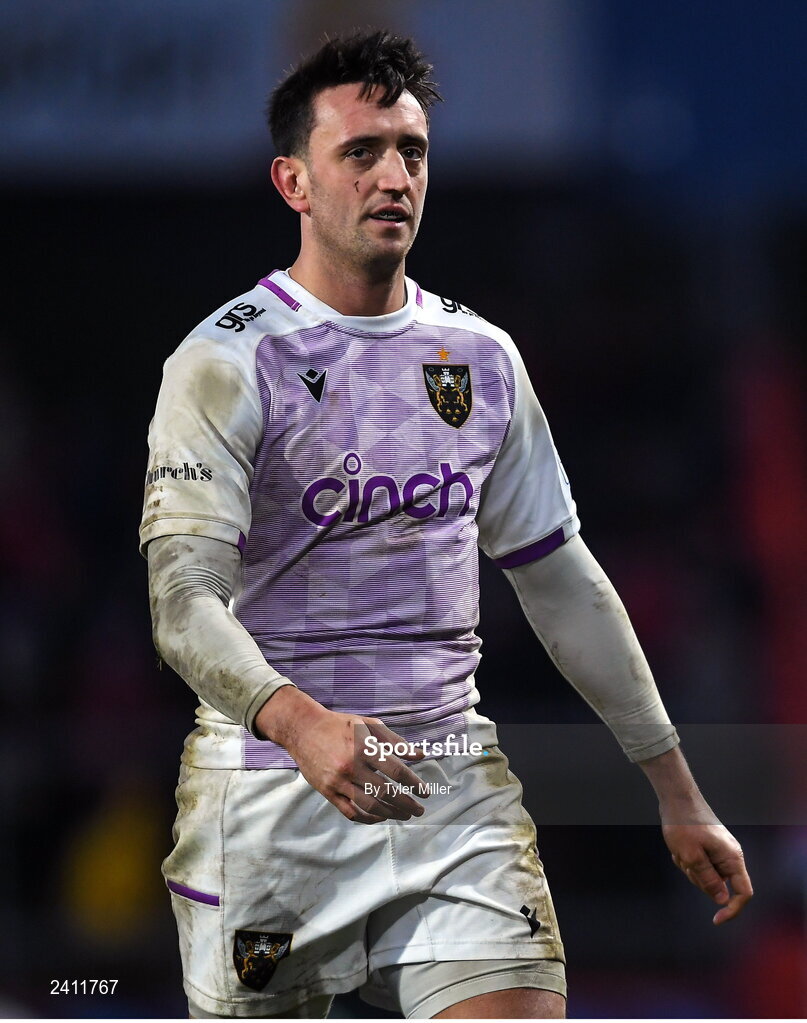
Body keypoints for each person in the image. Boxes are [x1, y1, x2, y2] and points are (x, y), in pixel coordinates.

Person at [140, 30, 753, 1020]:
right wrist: (305, 728)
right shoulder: (222, 363)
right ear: (293, 180)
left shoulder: (480, 358)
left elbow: (561, 580)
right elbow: (181, 603)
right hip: (265, 804)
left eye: (411, 153)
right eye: (361, 153)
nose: (394, 178)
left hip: (451, 794)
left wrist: (676, 788)